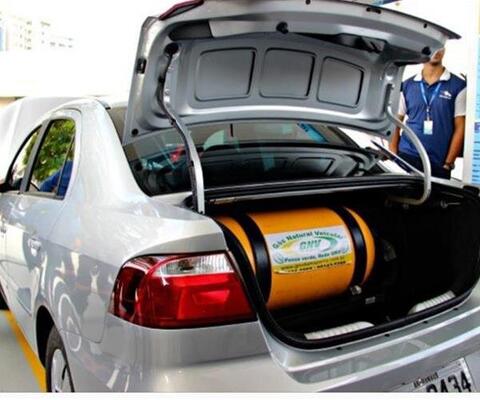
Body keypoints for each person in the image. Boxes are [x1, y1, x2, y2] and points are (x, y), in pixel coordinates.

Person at [389, 48, 466, 179]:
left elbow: (461, 127)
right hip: (407, 156)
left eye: (440, 48)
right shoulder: (407, 85)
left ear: (444, 51)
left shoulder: (459, 86)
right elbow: (395, 123)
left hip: (438, 163)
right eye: (432, 48)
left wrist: (448, 163)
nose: (436, 52)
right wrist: (394, 156)